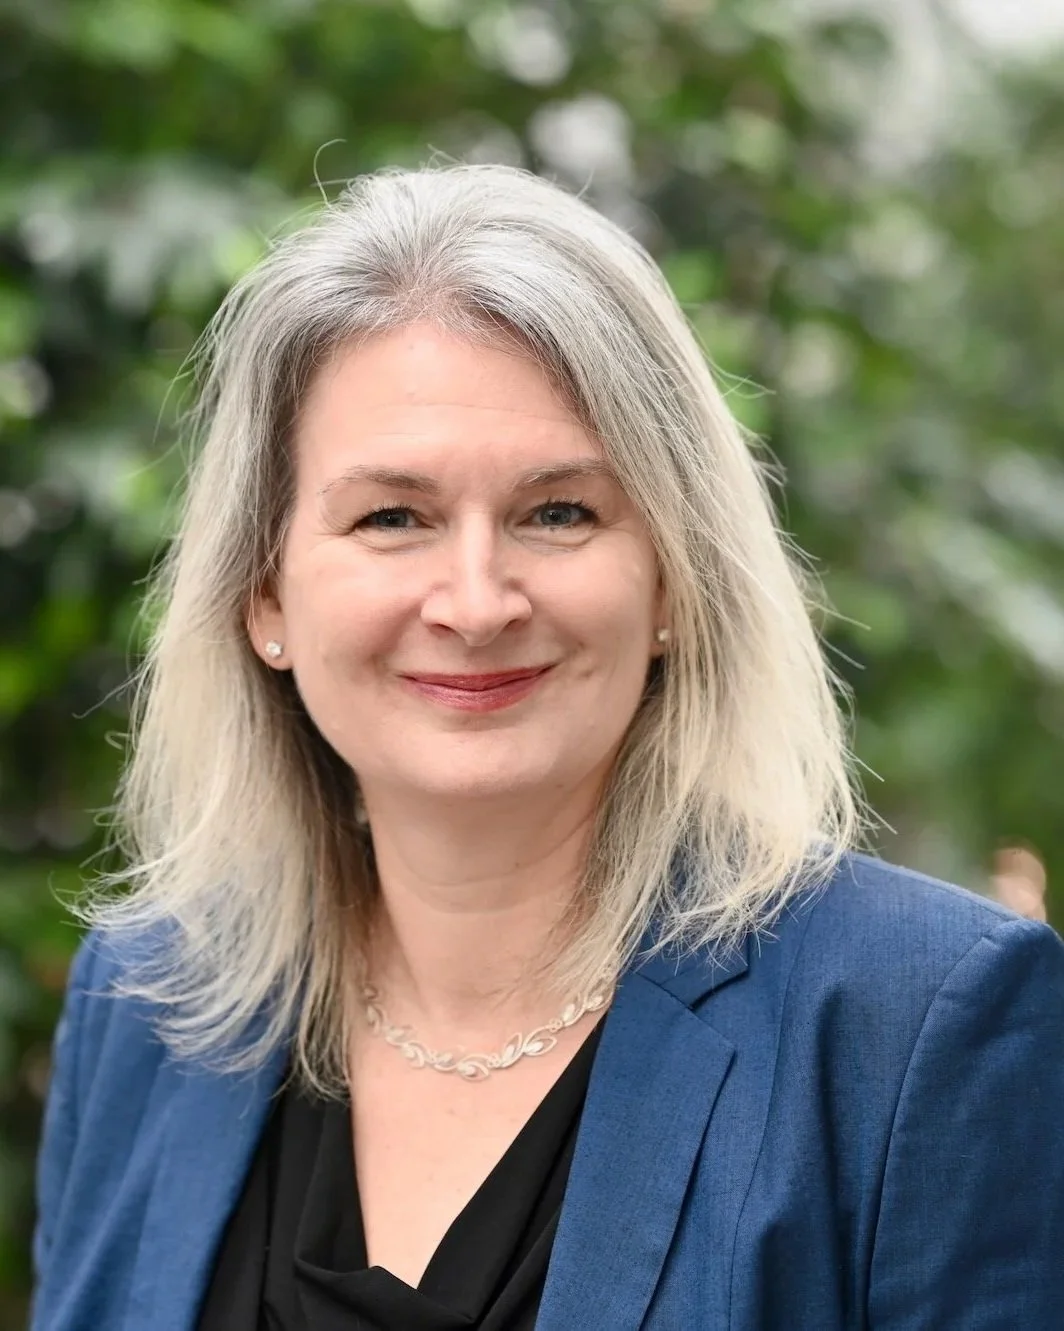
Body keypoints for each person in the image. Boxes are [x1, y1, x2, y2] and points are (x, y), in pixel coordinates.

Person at [31, 163, 1064, 1331]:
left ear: (672, 575)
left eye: (557, 511)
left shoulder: (914, 1021)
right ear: (264, 594)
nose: (474, 602)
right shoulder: (146, 1001)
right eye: (392, 517)